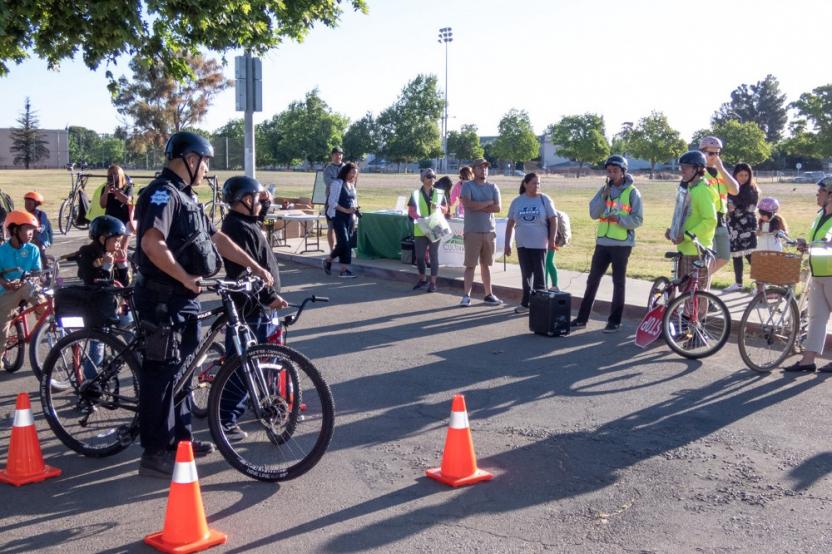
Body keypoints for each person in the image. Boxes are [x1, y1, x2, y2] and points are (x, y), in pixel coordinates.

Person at [133, 131, 274, 478]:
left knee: (185, 372)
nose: (207, 167)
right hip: (162, 297)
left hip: (184, 298)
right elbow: (153, 244)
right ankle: (154, 452)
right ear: (189, 159)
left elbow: (217, 239)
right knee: (163, 373)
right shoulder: (163, 194)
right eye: (204, 160)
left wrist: (255, 267)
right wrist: (183, 276)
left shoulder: (188, 198)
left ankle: (180, 440)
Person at [219, 176, 288, 440]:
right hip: (251, 307)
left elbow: (261, 216)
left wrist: (266, 200)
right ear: (246, 200)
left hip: (258, 306)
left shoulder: (246, 221)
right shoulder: (236, 227)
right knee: (242, 363)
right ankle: (226, 419)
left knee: (257, 362)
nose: (261, 203)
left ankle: (252, 402)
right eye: (257, 198)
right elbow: (247, 270)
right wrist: (269, 296)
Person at [571, 156, 643, 332]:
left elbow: (638, 219)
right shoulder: (604, 190)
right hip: (602, 243)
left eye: (615, 171)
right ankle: (582, 318)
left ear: (623, 172)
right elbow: (594, 214)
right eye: (609, 171)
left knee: (618, 282)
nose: (611, 174)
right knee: (592, 280)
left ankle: (614, 321)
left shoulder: (633, 192)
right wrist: (603, 197)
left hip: (622, 244)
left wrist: (619, 219)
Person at [76, 215, 133, 381]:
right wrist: (107, 266)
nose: (117, 244)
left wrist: (122, 265)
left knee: (132, 336)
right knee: (98, 345)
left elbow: (124, 284)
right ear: (102, 238)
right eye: (115, 240)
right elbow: (93, 281)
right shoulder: (86, 253)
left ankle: (139, 371)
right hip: (98, 306)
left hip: (117, 304)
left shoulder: (112, 253)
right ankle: (90, 385)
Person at [785, 177, 832, 372]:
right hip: (818, 273)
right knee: (816, 317)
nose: (817, 194)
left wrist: (826, 241)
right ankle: (808, 360)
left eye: (820, 191)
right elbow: (818, 241)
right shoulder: (820, 214)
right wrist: (806, 245)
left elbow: (828, 239)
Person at [504, 173, 557, 314]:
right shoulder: (517, 201)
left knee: (539, 276)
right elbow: (510, 223)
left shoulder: (544, 199)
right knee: (526, 275)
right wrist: (507, 243)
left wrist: (552, 240)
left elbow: (553, 220)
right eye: (534, 183)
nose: (537, 186)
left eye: (538, 183)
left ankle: (540, 305)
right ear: (525, 184)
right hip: (522, 244)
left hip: (540, 244)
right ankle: (525, 303)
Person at [666, 151, 718, 290]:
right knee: (684, 293)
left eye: (686, 168)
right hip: (685, 249)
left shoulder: (703, 190)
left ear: (698, 169)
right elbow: (684, 216)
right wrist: (674, 230)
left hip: (697, 250)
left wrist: (687, 235)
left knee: (696, 298)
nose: (682, 171)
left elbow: (710, 220)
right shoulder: (689, 188)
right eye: (681, 167)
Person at [0, 211, 42, 367]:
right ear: (15, 230)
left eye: (33, 229)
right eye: (27, 229)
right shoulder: (2, 250)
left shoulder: (33, 250)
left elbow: (37, 273)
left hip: (27, 287)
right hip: (6, 292)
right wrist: (5, 283)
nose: (31, 233)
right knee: (2, 326)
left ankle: (46, 325)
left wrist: (32, 278)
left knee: (42, 296)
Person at [459, 159, 502, 306]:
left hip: (489, 231)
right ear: (473, 170)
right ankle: (466, 296)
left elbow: (497, 208)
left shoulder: (493, 187)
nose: (484, 170)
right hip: (472, 232)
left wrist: (479, 206)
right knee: (470, 265)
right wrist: (487, 203)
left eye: (485, 168)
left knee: (486, 265)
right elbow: (468, 204)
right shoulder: (467, 186)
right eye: (480, 167)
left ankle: (488, 294)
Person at [699, 136, 739, 276]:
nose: (715, 157)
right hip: (708, 219)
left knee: (724, 257)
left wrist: (721, 168)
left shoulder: (721, 173)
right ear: (702, 153)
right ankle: (703, 290)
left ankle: (702, 282)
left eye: (717, 153)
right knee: (710, 258)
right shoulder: (699, 173)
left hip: (721, 221)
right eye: (711, 153)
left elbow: (735, 190)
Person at [408, 168, 449, 293]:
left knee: (433, 255)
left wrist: (439, 207)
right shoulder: (415, 193)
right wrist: (419, 218)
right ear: (423, 178)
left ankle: (433, 283)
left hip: (436, 226)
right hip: (421, 227)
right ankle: (422, 279)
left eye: (434, 177)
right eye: (429, 176)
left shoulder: (440, 193)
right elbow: (411, 210)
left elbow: (446, 209)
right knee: (420, 256)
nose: (432, 179)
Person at [723, 163, 759, 293]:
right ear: (735, 175)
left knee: (750, 255)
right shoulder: (731, 188)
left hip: (747, 227)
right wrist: (729, 209)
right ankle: (738, 283)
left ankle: (761, 284)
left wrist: (733, 209)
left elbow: (750, 208)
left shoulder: (752, 190)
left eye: (746, 175)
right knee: (736, 254)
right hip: (733, 226)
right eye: (740, 175)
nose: (743, 178)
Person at [323, 162, 359, 279]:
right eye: (352, 172)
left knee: (347, 243)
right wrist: (346, 210)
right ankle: (329, 259)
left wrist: (354, 212)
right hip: (338, 216)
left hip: (349, 218)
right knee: (343, 241)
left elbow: (354, 201)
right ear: (346, 172)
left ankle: (344, 270)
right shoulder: (337, 184)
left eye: (355, 173)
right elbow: (332, 202)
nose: (354, 175)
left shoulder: (352, 185)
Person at [322, 147, 345, 251]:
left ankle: (343, 249)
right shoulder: (328, 168)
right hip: (331, 201)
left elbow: (350, 182)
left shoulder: (346, 167)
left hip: (344, 201)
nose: (338, 156)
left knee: (343, 227)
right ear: (332, 155)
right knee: (331, 227)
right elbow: (329, 183)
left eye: (340, 154)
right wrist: (340, 182)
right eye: (336, 154)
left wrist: (338, 181)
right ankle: (332, 250)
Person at [99, 164, 134, 229]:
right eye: (110, 174)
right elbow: (102, 205)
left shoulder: (128, 187)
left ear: (120, 175)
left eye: (114, 173)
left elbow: (127, 200)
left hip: (124, 220)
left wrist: (115, 191)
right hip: (110, 219)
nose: (112, 176)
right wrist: (106, 191)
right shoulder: (105, 188)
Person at [23, 192, 52, 257]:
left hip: (42, 239)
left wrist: (36, 228)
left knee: (39, 250)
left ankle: (44, 264)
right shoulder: (25, 215)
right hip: (29, 239)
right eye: (26, 203)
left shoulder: (41, 214)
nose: (27, 205)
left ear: (36, 204)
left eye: (29, 203)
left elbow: (43, 227)